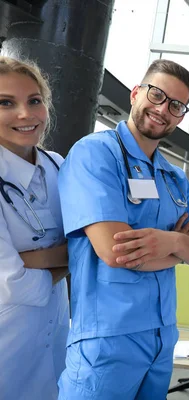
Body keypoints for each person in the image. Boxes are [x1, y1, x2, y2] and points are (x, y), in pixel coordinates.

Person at [57, 59, 189, 399]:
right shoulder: (95, 154)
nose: (162, 109)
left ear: (182, 117)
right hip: (107, 341)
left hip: (161, 340)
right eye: (157, 95)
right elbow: (116, 251)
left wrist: (168, 241)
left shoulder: (174, 177)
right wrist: (180, 250)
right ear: (135, 93)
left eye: (176, 105)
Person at [0, 56, 70, 399]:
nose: (25, 114)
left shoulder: (59, 166)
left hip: (55, 334)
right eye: (6, 103)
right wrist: (72, 255)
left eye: (34, 100)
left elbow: (90, 241)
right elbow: (11, 281)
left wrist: (34, 258)